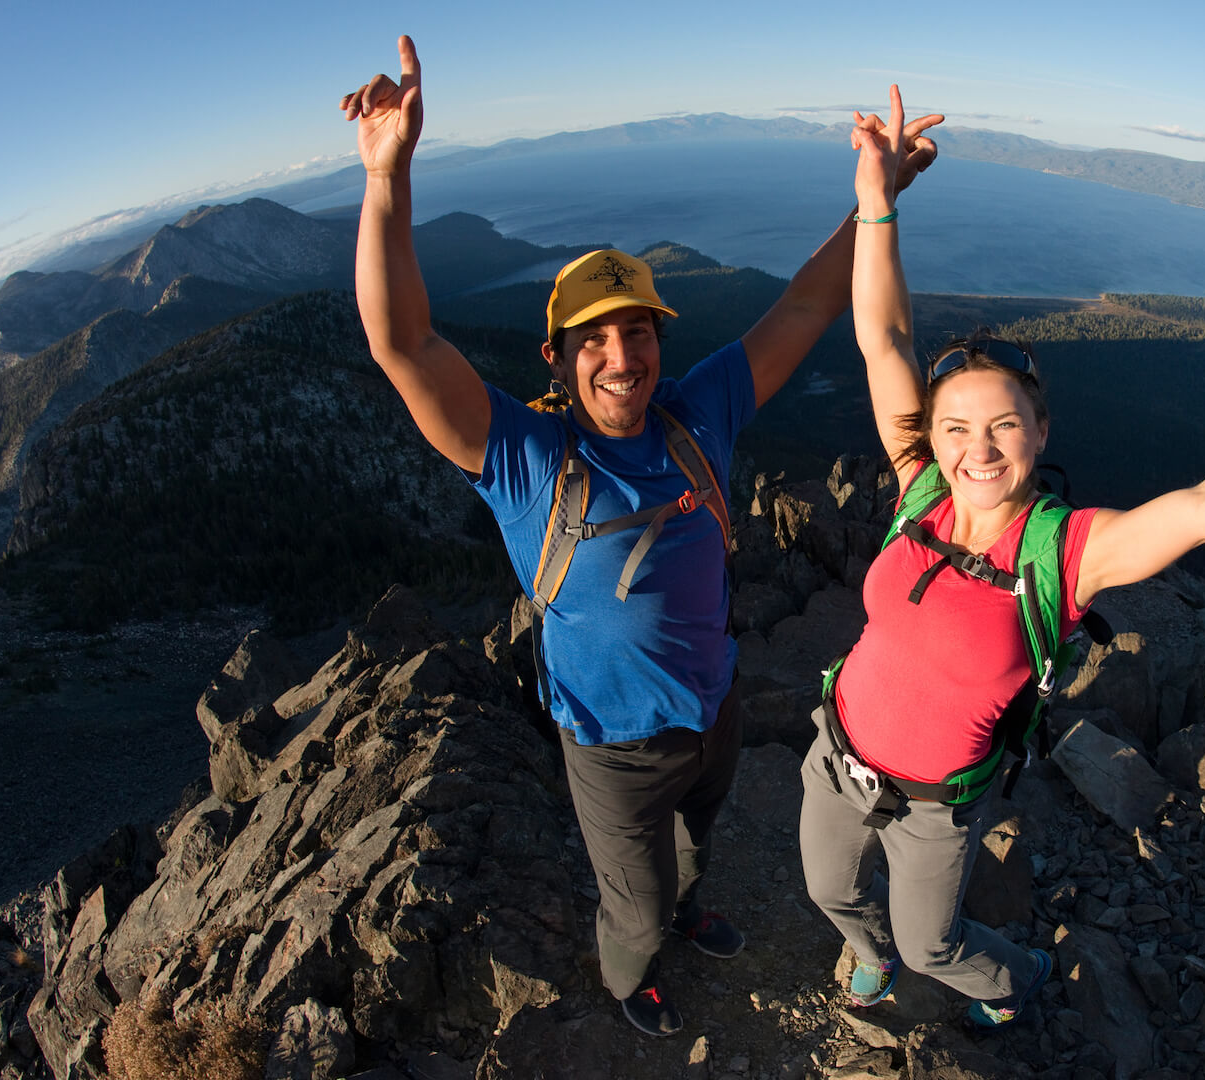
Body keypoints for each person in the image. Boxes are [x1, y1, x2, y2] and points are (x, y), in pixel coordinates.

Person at [800, 86, 1205, 1028]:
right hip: (836, 755)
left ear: (1039, 431)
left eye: (1002, 426)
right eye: (957, 427)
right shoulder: (918, 490)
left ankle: (1016, 981)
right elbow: (884, 337)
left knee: (932, 944)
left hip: (936, 806)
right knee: (832, 896)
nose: (976, 449)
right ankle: (862, 957)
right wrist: (876, 198)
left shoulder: (1067, 551)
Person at [340, 38, 942, 1037]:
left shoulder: (695, 413)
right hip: (611, 750)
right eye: (594, 341)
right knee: (633, 897)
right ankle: (633, 979)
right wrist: (385, 178)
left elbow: (804, 301)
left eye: (640, 332)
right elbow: (402, 343)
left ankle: (692, 911)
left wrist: (879, 198)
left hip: (714, 712)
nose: (623, 358)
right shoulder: (525, 461)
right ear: (557, 358)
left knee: (698, 848)